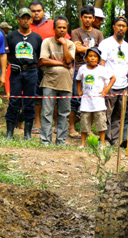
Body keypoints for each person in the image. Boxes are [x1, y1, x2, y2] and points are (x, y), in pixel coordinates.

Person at [29, 0, 70, 134]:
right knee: (37, 96)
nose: (36, 14)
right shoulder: (27, 24)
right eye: (33, 11)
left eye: (38, 11)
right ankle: (37, 123)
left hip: (51, 69)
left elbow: (67, 40)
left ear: (43, 12)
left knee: (56, 97)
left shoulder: (54, 24)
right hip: (33, 65)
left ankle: (58, 125)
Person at [4, 8, 42, 139]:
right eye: (23, 18)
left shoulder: (37, 38)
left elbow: (39, 57)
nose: (25, 21)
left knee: (29, 102)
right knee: (14, 101)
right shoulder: (11, 36)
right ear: (18, 20)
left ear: (31, 20)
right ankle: (10, 132)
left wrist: (31, 66)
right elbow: (8, 55)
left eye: (28, 18)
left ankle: (27, 133)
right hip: (16, 72)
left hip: (32, 72)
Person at [39, 15, 75, 145]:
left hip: (66, 84)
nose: (62, 30)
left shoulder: (70, 44)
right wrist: (62, 65)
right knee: (47, 112)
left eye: (64, 28)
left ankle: (60, 140)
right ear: (54, 28)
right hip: (49, 82)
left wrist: (64, 44)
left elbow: (69, 61)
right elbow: (44, 60)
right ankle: (45, 140)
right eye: (59, 27)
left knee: (64, 113)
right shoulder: (47, 42)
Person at [69, 5, 104, 138]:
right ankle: (71, 128)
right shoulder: (76, 32)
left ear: (93, 18)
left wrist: (85, 48)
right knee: (75, 99)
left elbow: (100, 52)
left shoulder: (98, 33)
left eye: (90, 17)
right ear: (81, 18)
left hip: (95, 71)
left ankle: (88, 129)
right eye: (85, 17)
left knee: (93, 99)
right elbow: (76, 49)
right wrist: (93, 49)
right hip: (79, 69)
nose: (88, 20)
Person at [98, 16, 128, 145]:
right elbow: (101, 64)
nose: (121, 28)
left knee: (119, 115)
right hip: (109, 85)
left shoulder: (127, 46)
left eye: (123, 26)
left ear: (126, 29)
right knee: (106, 113)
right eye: (118, 25)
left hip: (123, 85)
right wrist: (103, 84)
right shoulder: (106, 43)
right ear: (114, 27)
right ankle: (105, 139)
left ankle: (115, 139)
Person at [76, 47, 115, 149]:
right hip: (86, 101)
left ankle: (102, 143)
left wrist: (106, 90)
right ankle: (83, 143)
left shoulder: (102, 70)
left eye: (95, 56)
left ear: (98, 59)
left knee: (101, 123)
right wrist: (79, 91)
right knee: (84, 123)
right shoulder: (82, 69)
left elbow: (113, 78)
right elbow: (78, 80)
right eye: (90, 56)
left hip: (99, 102)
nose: (93, 58)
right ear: (86, 58)